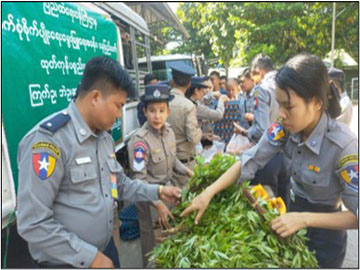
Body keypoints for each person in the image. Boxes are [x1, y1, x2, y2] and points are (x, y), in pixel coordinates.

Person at [182, 54, 358, 268]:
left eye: (288, 107)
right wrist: (208, 193)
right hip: (291, 224)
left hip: (325, 237)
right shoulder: (284, 128)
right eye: (279, 105)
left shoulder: (344, 146)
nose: (281, 114)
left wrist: (304, 219)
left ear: (316, 103)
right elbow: (250, 160)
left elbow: (356, 216)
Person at [16, 56, 181, 269]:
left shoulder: (103, 138)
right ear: (95, 97)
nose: (119, 114)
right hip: (67, 262)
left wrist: (158, 191)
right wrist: (91, 257)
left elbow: (119, 185)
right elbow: (33, 223)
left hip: (105, 250)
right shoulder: (49, 142)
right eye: (117, 105)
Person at [128, 83, 192, 267]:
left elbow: (173, 161)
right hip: (149, 201)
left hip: (168, 194)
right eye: (152, 110)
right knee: (153, 245)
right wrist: (158, 204)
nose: (157, 116)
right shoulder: (140, 140)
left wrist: (189, 172)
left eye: (161, 110)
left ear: (168, 112)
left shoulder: (170, 131)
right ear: (145, 112)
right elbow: (139, 179)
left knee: (170, 238)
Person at [167, 62, 202, 188]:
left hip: (165, 162)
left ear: (172, 81)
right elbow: (193, 137)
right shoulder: (188, 106)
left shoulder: (161, 102)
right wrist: (200, 130)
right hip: (184, 164)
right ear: (189, 84)